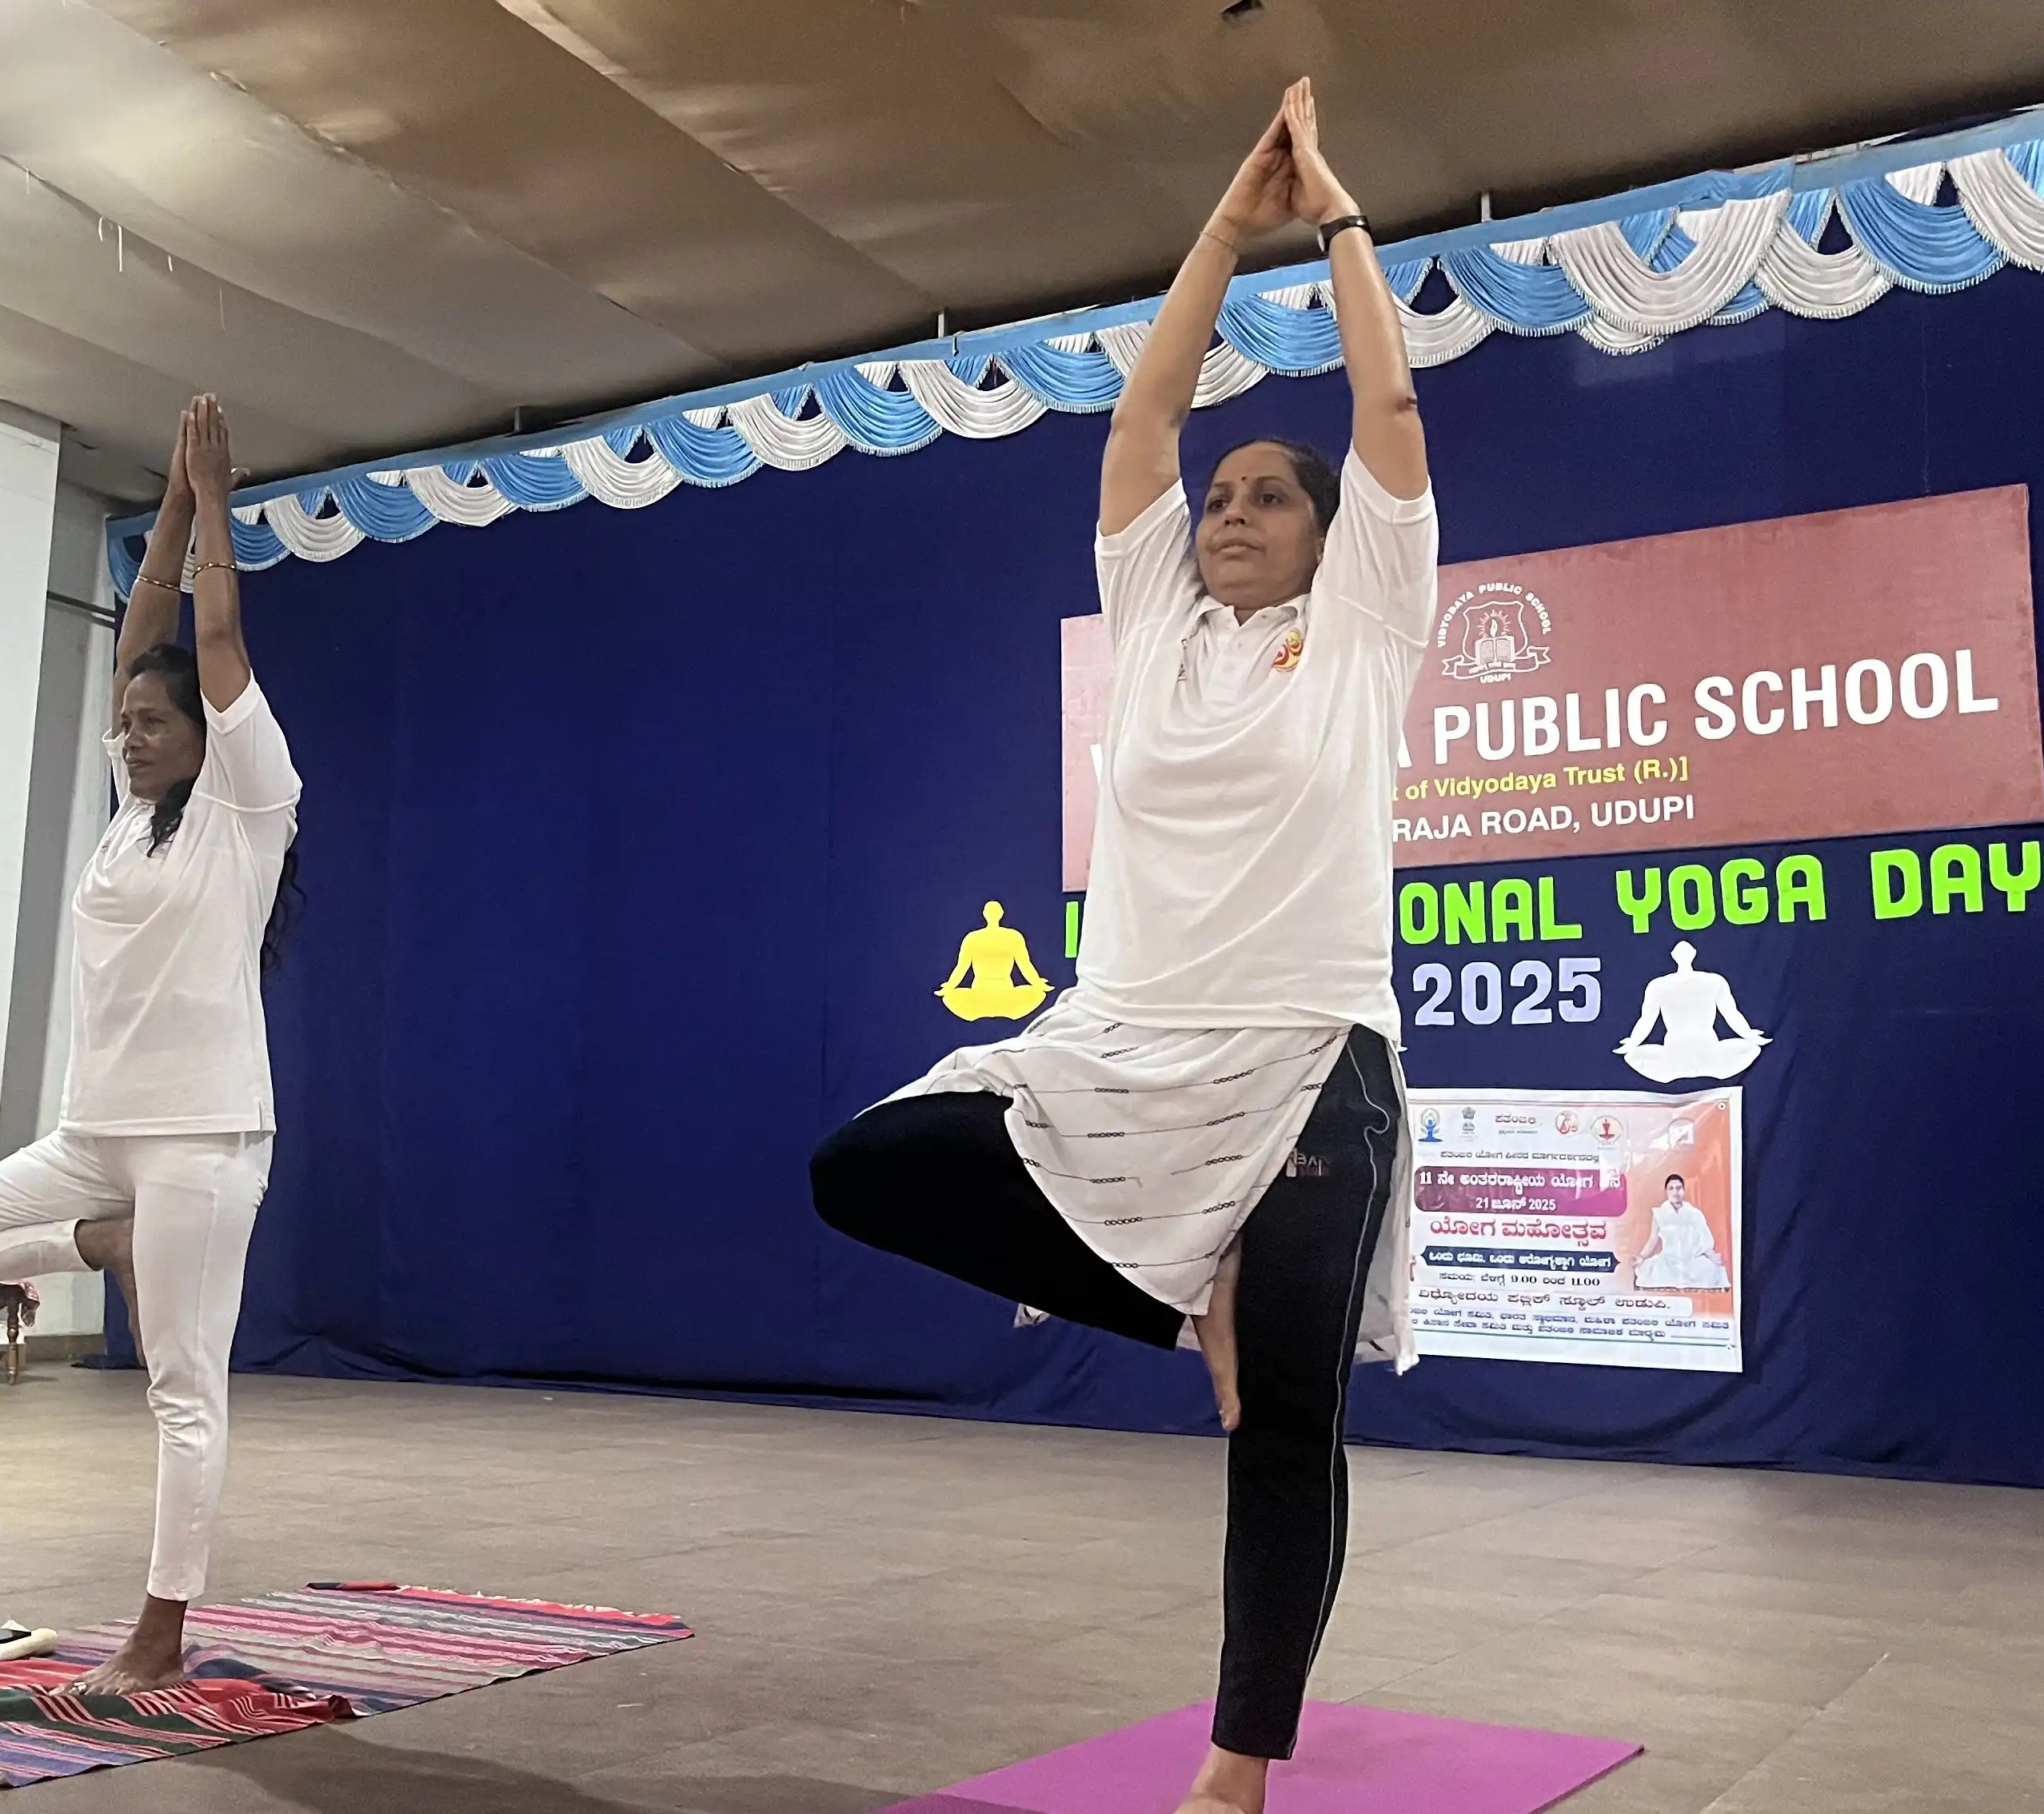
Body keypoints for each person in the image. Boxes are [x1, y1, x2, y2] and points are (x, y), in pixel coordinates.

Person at [808, 80, 1431, 1814]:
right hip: (1122, 1042)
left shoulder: (1369, 632)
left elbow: (1385, 404)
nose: (1227, 510)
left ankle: (1235, 1770)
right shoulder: (1155, 619)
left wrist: (1335, 222)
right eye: (1220, 495)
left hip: (1310, 1058)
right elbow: (1137, 423)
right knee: (867, 1167)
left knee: (1286, 1426)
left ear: (1326, 538)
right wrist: (1222, 232)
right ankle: (1182, 1288)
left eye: (1266, 497)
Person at [0, 395, 301, 1695]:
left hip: (204, 1135)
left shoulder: (244, 812)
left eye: (156, 725)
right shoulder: (128, 819)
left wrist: (209, 508)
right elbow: (141, 642)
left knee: (181, 1390)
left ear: (211, 739)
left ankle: (161, 1624)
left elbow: (204, 636)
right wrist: (159, 514)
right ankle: (111, 1242)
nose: (134, 734)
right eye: (129, 725)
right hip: (101, 1134)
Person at [1614, 941, 1770, 1081]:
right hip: (1680, 1049)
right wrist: (1633, 1042)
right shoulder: (1660, 985)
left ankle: (1695, 1064)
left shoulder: (1711, 982)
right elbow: (1646, 1020)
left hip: (1702, 1047)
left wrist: (1748, 1034)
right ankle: (1688, 1064)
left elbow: (1732, 1014)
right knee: (1634, 1055)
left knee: (1750, 1049)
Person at [940, 902, 1052, 1021]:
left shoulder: (1011, 937)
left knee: (1037, 993)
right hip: (980, 994)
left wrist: (1038, 984)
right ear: (1001, 914)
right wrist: (950, 986)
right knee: (950, 997)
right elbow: (962, 967)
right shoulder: (974, 938)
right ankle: (991, 1008)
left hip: (1005, 994)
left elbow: (1025, 965)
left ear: (985, 914)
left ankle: (999, 1008)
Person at [1630, 1174, 1727, 1291]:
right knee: (1647, 1269)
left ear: (1684, 1191)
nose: (1675, 1192)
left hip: (1692, 1262)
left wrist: (1714, 1257)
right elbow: (1653, 1239)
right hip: (1669, 1261)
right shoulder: (1660, 1214)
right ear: (1666, 1192)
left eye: (1678, 1188)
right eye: (1671, 1188)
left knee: (1714, 1270)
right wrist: (1641, 1257)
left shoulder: (1695, 1214)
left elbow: (1704, 1241)